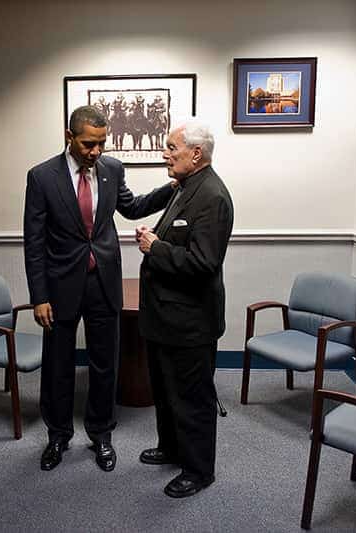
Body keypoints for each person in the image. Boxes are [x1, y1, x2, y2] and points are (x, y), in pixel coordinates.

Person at [23, 105, 174, 472]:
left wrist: (171, 189)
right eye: (89, 144)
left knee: (106, 363)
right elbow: (34, 241)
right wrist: (39, 296)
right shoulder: (42, 177)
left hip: (104, 282)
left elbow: (132, 207)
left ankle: (101, 434)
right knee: (58, 366)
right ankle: (57, 436)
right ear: (69, 137)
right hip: (60, 288)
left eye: (101, 143)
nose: (96, 152)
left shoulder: (111, 169)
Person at [135, 121, 234, 498]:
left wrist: (155, 248)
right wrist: (155, 241)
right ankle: (172, 448)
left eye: (171, 148)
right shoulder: (184, 187)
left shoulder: (212, 196)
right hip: (166, 319)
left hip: (191, 322)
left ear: (196, 153)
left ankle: (198, 470)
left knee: (193, 399)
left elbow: (203, 263)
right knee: (166, 391)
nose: (165, 154)